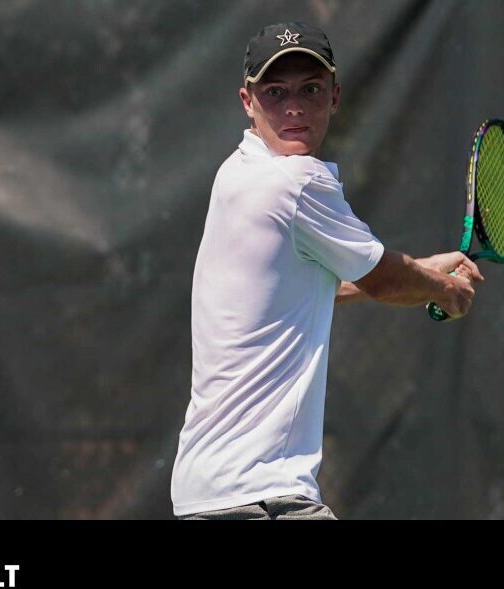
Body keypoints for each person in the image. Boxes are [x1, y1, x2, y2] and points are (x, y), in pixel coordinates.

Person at [171, 21, 483, 520]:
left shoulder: (236, 173)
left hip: (208, 494)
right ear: (247, 102)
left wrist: (423, 269)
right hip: (260, 497)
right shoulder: (296, 181)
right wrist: (444, 289)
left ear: (334, 96)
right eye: (275, 92)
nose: (294, 107)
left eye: (310, 89)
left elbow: (297, 293)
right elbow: (384, 279)